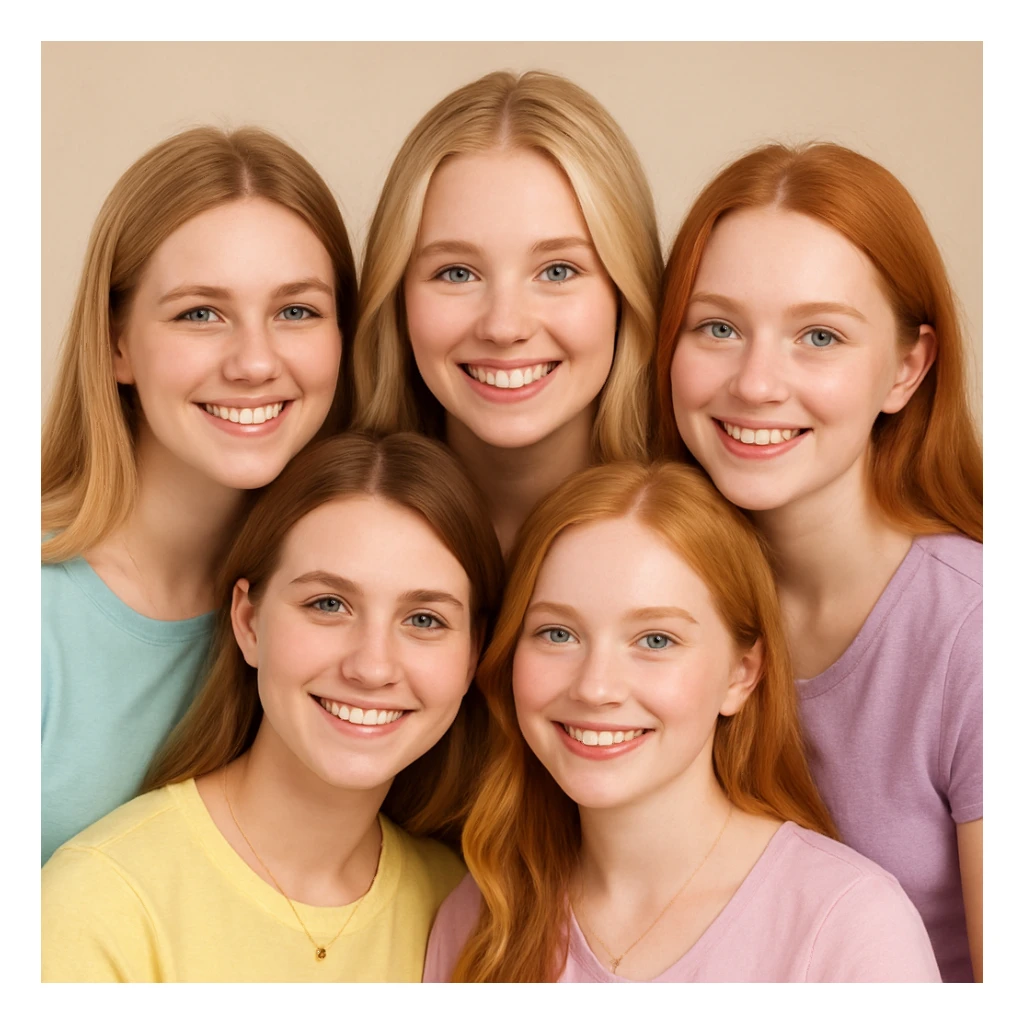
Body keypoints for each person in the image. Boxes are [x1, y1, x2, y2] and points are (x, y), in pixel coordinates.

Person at [656, 143, 982, 981]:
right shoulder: (651, 596)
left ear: (907, 368)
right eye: (718, 327)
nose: (758, 383)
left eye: (820, 335)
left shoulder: (981, 634)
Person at [424, 461, 940, 983]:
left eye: (655, 640)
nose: (595, 687)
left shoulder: (849, 925)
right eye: (558, 634)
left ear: (742, 674)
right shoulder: (476, 920)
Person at [42, 432, 504, 982]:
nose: (372, 667)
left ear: (473, 652)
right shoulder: (100, 904)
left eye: (424, 620)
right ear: (249, 622)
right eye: (328, 604)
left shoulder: (465, 910)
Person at [41, 126, 358, 865]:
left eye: (296, 311)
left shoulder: (349, 615)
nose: (254, 361)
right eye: (200, 314)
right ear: (117, 342)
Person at [352, 70, 662, 554]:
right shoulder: (327, 534)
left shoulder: (699, 548)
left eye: (557, 271)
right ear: (397, 297)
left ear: (626, 293)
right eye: (457, 273)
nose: (503, 326)